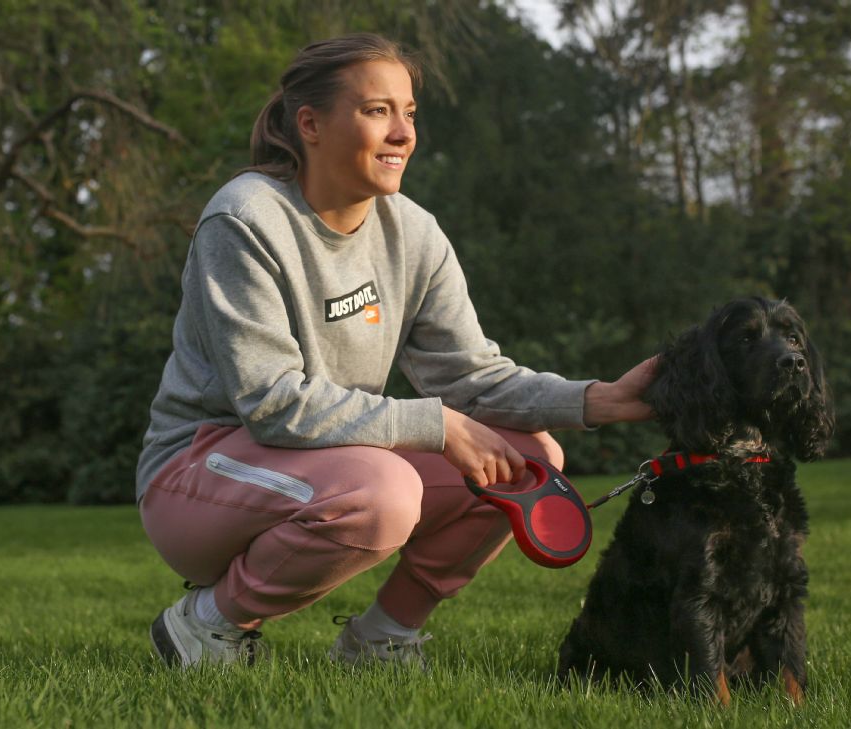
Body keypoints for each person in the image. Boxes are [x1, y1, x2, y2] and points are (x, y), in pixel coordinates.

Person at [136, 32, 656, 670]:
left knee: (526, 458)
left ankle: (379, 639)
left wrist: (600, 400)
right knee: (380, 492)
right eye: (377, 110)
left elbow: (473, 377)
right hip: (198, 473)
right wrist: (437, 426)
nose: (403, 132)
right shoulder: (245, 220)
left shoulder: (412, 231)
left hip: (322, 468)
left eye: (409, 112)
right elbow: (271, 403)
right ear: (311, 124)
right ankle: (206, 624)